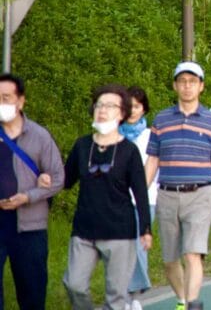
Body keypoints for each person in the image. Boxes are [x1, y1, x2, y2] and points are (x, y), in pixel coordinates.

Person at [146, 61, 211, 310]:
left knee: (193, 254)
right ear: (175, 85)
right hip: (168, 194)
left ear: (201, 86)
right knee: (170, 259)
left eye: (192, 81)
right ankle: (182, 299)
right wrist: (139, 195)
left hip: (200, 194)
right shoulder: (161, 120)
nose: (187, 86)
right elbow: (152, 160)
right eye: (182, 81)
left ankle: (191, 305)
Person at [63, 84, 151, 310]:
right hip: (84, 229)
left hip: (120, 231)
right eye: (99, 105)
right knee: (74, 284)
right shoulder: (82, 146)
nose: (102, 110)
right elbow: (64, 180)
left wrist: (146, 230)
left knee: (116, 297)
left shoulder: (129, 151)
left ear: (121, 113)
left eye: (110, 106)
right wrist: (45, 180)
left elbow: (140, 193)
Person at [0, 73, 64, 309]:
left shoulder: (39, 136)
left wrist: (29, 196)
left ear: (20, 101)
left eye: (6, 98)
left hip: (30, 226)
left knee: (32, 293)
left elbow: (58, 178)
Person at [121, 86, 158, 310]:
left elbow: (153, 167)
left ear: (144, 108)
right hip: (117, 201)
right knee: (120, 247)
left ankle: (135, 296)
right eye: (129, 106)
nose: (133, 111)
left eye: (137, 106)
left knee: (137, 245)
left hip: (145, 200)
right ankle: (122, 294)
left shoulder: (152, 136)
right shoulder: (113, 134)